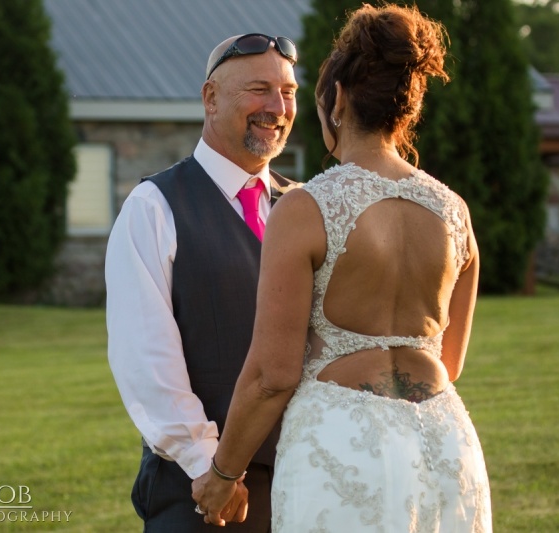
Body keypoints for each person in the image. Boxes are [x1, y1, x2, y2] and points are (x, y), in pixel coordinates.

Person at [192, 5, 492, 531]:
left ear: (336, 98)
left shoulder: (307, 208)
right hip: (445, 444)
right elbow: (450, 359)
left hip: (342, 448)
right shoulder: (454, 213)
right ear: (408, 106)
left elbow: (271, 375)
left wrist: (224, 471)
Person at [105, 32, 300, 532]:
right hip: (201, 493)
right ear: (210, 98)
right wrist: (211, 466)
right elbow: (146, 360)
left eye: (289, 92)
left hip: (307, 480)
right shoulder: (153, 208)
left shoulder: (307, 208)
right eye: (259, 89)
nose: (277, 107)